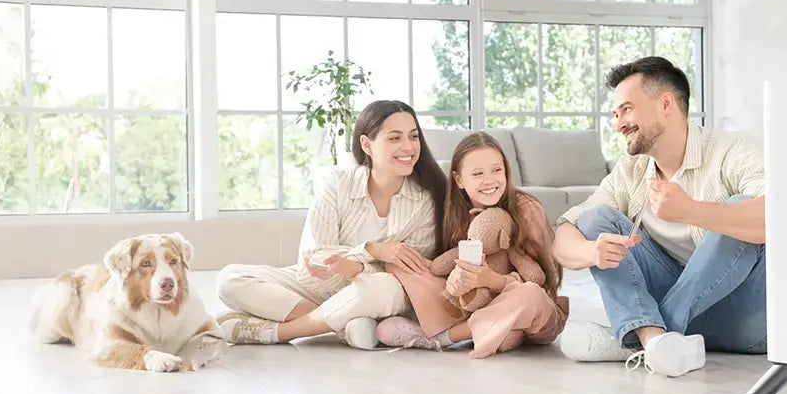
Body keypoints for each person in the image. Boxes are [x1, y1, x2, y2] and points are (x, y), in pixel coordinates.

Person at [552, 56, 768, 377]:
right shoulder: (631, 171)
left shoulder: (731, 150)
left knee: (739, 206)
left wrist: (693, 211)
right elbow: (564, 235)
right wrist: (591, 252)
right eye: (616, 114)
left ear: (666, 104)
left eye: (627, 109)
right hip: (686, 319)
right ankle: (655, 339)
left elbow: (777, 217)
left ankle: (635, 338)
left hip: (745, 318)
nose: (618, 124)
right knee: (598, 219)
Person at [213, 100, 448, 350]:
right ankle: (346, 325)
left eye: (414, 137)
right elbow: (311, 261)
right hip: (321, 288)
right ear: (367, 144)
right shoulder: (337, 184)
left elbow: (410, 274)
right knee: (231, 278)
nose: (409, 147)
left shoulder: (425, 200)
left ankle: (279, 332)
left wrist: (357, 269)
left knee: (385, 288)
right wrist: (370, 251)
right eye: (394, 138)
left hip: (375, 291)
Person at [372, 132, 569, 358]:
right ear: (459, 180)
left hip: (530, 311)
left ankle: (443, 338)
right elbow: (442, 267)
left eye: (497, 170)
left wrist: (493, 280)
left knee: (529, 295)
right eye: (477, 173)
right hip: (474, 305)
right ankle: (482, 331)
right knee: (401, 262)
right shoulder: (452, 212)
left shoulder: (526, 209)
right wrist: (456, 282)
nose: (490, 180)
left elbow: (541, 280)